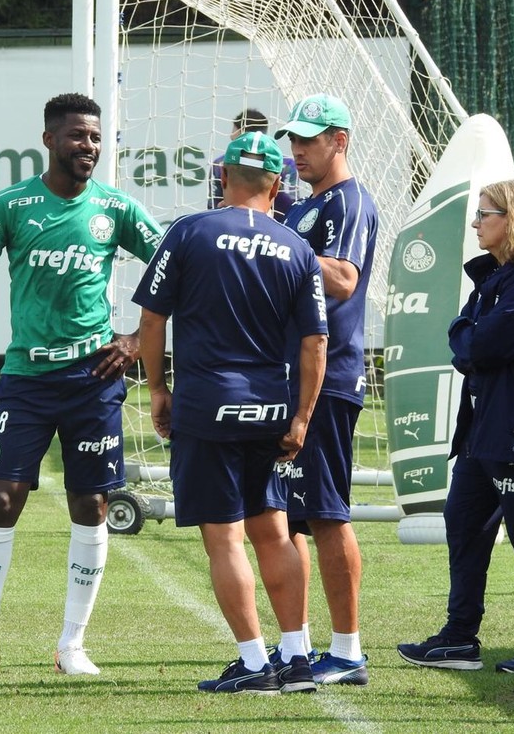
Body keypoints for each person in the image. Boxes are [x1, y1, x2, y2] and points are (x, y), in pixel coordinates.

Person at [0, 92, 163, 677]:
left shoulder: (116, 208)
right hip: (27, 377)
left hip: (93, 377)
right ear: (50, 140)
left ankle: (71, 646)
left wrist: (133, 340)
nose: (90, 146)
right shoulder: (12, 205)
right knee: (3, 499)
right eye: (79, 136)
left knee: (92, 503)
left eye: (96, 137)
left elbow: (172, 267)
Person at [134, 131, 328, 694]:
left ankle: (251, 663)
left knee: (224, 539)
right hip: (269, 407)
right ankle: (296, 657)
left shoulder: (190, 232)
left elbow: (152, 320)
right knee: (272, 530)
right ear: (277, 183)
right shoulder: (296, 248)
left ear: (223, 179)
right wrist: (301, 418)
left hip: (207, 407)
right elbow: (315, 343)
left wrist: (157, 389)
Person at [398, 179, 514, 675]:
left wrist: (465, 336)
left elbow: (477, 347)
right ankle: (458, 638)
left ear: (511, 219)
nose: (475, 223)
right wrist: (466, 336)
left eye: (484, 214)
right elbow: (466, 341)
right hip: (485, 431)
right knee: (464, 523)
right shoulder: (500, 278)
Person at [267, 94, 378, 685]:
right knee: (287, 518)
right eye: (293, 140)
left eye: (309, 140)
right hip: (287, 376)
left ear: (341, 140)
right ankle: (299, 648)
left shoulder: (351, 202)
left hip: (328, 381)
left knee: (329, 515)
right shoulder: (303, 207)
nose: (297, 150)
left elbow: (342, 279)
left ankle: (349, 650)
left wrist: (279, 246)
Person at [208, 108, 299, 218]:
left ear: (240, 131)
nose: (231, 136)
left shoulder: (220, 164)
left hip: (230, 224)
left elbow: (213, 209)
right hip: (275, 228)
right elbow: (292, 208)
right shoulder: (287, 165)